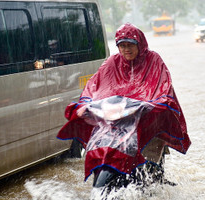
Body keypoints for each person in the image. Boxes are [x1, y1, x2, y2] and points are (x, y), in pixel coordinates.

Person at [57, 23, 191, 181]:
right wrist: (85, 103)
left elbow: (163, 87)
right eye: (122, 46)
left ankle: (156, 182)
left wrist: (154, 104)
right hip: (120, 120)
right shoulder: (112, 62)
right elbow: (94, 86)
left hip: (148, 118)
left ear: (139, 44)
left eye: (130, 45)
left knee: (152, 161)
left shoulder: (153, 60)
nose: (126, 50)